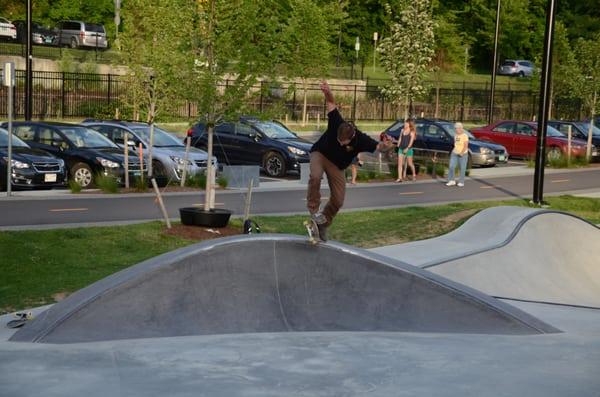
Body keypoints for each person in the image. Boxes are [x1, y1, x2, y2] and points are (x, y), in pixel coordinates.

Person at [307, 81, 393, 241]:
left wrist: (387, 145)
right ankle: (314, 211)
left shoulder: (361, 140)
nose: (340, 143)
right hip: (320, 154)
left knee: (339, 200)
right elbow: (331, 102)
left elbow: (378, 147)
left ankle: (323, 224)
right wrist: (327, 91)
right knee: (315, 176)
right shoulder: (337, 122)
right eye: (339, 140)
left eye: (343, 142)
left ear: (352, 137)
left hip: (337, 166)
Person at [446, 122, 469, 187]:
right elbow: (455, 144)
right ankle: (452, 181)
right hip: (454, 153)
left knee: (462, 168)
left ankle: (461, 182)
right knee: (451, 166)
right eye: (455, 128)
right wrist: (454, 151)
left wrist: (461, 153)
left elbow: (466, 146)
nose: (456, 130)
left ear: (461, 128)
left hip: (463, 154)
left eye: (457, 128)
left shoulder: (465, 136)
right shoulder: (455, 135)